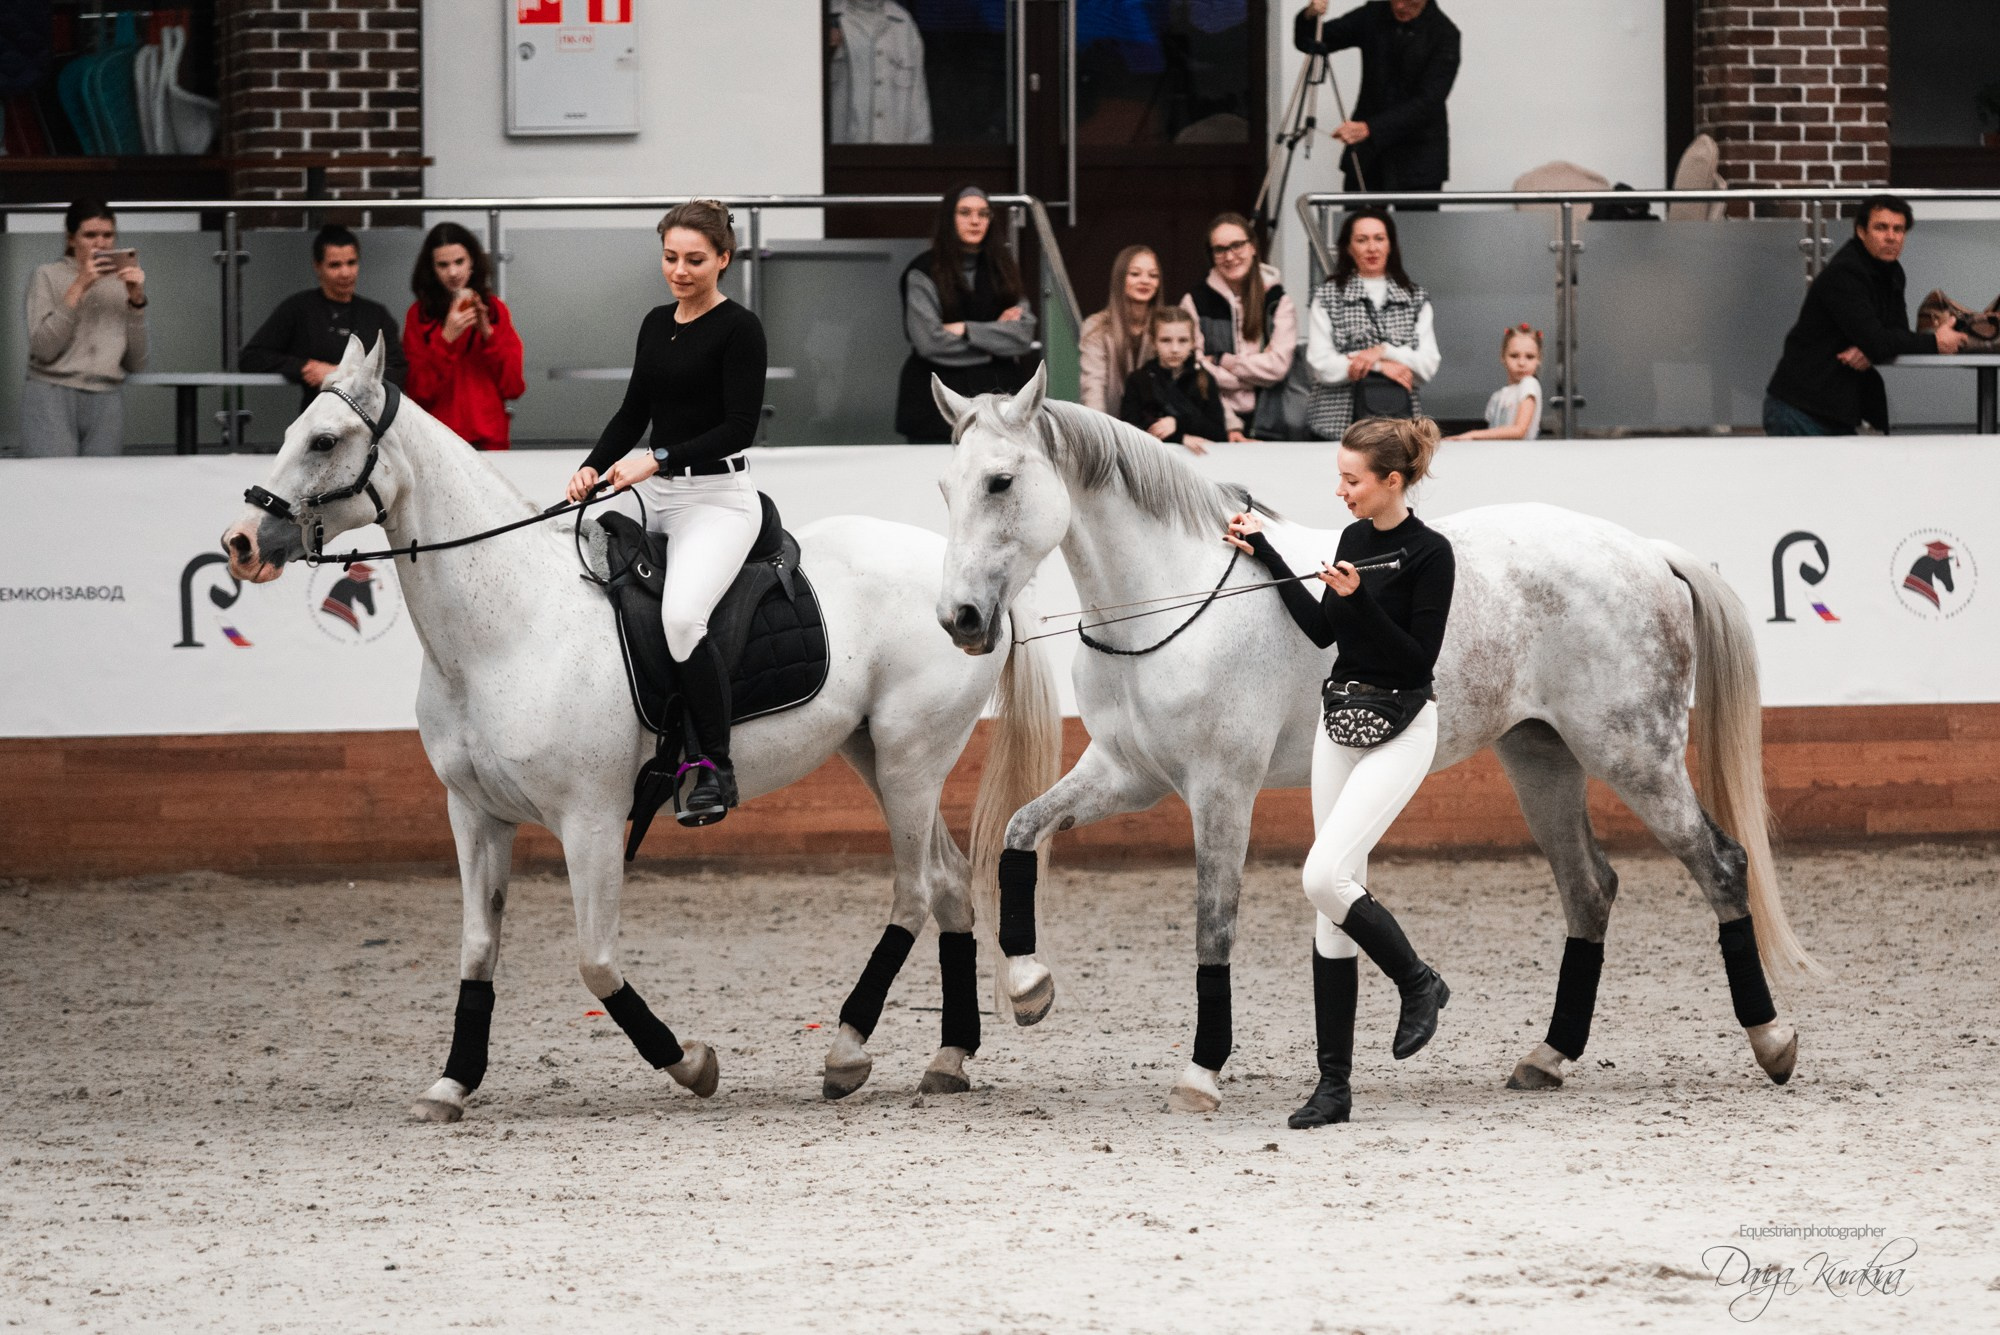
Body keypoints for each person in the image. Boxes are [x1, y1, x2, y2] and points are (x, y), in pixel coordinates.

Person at [1223, 415, 1454, 1129]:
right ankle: (1334, 1088)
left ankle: (1418, 982)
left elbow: (1415, 659)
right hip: (1341, 723)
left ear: (1393, 481)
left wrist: (1360, 603)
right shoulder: (1353, 542)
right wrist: (1266, 553)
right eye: (1340, 477)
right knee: (1332, 908)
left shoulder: (1430, 553)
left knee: (1324, 877)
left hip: (1403, 727)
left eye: (1353, 480)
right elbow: (1325, 632)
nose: (1342, 490)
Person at [564, 201, 767, 827]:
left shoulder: (741, 329)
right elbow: (633, 410)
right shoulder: (656, 322)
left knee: (681, 618)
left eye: (695, 260)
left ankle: (715, 764)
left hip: (718, 501)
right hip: (654, 494)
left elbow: (740, 427)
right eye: (671, 258)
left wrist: (658, 457)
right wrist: (593, 467)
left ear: (724, 259)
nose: (680, 271)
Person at [1764, 194, 1967, 436]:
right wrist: (1934, 342)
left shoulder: (1892, 272)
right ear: (1861, 231)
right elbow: (1881, 341)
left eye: (1898, 229)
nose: (1891, 237)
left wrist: (1871, 347)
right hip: (1799, 410)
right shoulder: (1846, 273)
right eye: (1881, 228)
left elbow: (1895, 333)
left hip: (1831, 409)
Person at [894, 185, 1038, 444]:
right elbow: (929, 341)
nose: (975, 221)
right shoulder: (922, 272)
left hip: (1001, 402)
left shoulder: (1003, 268)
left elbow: (1023, 335)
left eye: (983, 214)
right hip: (936, 407)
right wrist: (994, 344)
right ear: (949, 218)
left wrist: (965, 330)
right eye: (965, 212)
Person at [1294, 0, 1461, 204]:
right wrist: (1310, 16)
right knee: (1359, 227)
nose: (1399, 7)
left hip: (1418, 159)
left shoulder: (1445, 34)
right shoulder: (1374, 14)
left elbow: (1428, 102)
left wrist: (1369, 128)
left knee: (1416, 233)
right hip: (1368, 157)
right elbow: (1313, 41)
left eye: (1409, 2)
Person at [20, 200, 148, 457]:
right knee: (53, 484)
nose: (100, 243)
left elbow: (137, 363)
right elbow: (43, 349)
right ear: (71, 239)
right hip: (52, 393)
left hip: (106, 395)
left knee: (100, 490)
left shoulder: (121, 282)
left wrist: (137, 302)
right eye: (90, 235)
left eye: (107, 235)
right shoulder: (46, 275)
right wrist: (79, 286)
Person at [1305, 207, 1439, 441]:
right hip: (1335, 428)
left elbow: (1427, 365)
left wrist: (1383, 351)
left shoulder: (1414, 297)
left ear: (1390, 244)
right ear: (1348, 247)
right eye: (1361, 240)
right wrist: (1380, 365)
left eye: (1379, 238)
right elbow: (1321, 365)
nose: (1372, 248)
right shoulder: (1328, 296)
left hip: (1398, 426)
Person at [242, 224, 407, 411]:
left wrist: (341, 374)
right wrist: (304, 367)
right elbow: (252, 357)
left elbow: (397, 371)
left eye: (351, 263)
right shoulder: (300, 308)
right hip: (318, 419)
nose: (345, 273)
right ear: (318, 266)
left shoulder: (376, 314)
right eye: (335, 265)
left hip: (367, 420)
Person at [402, 223, 526, 451]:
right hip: (438, 441)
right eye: (443, 265)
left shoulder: (495, 310)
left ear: (472, 263)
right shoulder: (418, 315)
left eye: (459, 262)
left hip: (489, 439)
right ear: (431, 269)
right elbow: (418, 392)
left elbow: (513, 387)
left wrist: (489, 334)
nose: (453, 272)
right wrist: (446, 338)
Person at [1179, 212, 1293, 440]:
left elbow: (1278, 366)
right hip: (1213, 418)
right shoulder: (1194, 301)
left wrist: (1224, 361)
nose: (1230, 256)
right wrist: (1249, 376)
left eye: (1237, 245)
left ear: (1252, 247)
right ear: (1211, 255)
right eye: (1220, 249)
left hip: (1269, 419)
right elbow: (1195, 365)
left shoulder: (1277, 300)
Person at [1118, 307, 1234, 452]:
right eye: (1166, 340)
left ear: (1193, 342)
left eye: (1183, 341)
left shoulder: (1203, 379)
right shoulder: (1138, 380)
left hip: (1197, 465)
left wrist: (1178, 423)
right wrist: (1179, 439)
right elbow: (1130, 432)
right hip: (1154, 463)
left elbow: (1219, 434)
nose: (1175, 349)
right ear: (1154, 342)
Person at [1079, 244, 1163, 414]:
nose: (1145, 281)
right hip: (1108, 425)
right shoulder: (1096, 326)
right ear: (1120, 278)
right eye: (1135, 274)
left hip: (1154, 430)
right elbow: (1093, 387)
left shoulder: (1164, 325)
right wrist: (1100, 432)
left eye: (1153, 275)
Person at [1446, 324, 1542, 441]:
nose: (1521, 363)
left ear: (1539, 359)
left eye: (1530, 357)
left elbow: (1520, 430)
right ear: (1503, 356)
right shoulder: (1499, 396)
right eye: (1514, 356)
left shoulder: (1529, 384)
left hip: (1520, 456)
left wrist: (1472, 434)